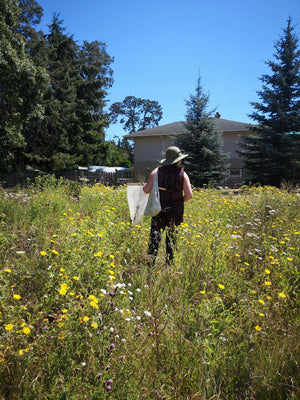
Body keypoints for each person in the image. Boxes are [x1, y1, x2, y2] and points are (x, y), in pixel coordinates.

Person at [143, 146, 193, 265]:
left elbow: (146, 190)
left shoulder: (156, 172)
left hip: (158, 210)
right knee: (171, 239)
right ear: (178, 160)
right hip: (175, 211)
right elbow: (189, 195)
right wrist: (179, 201)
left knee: (154, 238)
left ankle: (151, 263)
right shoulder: (182, 174)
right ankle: (169, 265)